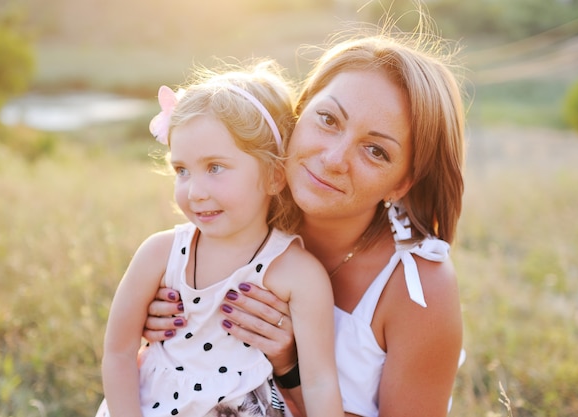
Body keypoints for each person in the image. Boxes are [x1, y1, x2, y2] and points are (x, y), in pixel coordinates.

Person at [143, 17, 466, 417]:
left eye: (376, 151)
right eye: (328, 120)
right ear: (302, 108)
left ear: (402, 183)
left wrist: (290, 367)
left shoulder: (419, 290)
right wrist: (162, 324)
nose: (333, 159)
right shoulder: (242, 212)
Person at [96, 62, 344, 417]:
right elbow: (118, 352)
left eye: (215, 167)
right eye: (182, 170)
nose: (195, 192)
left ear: (274, 176)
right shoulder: (159, 254)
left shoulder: (297, 273)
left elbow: (320, 382)